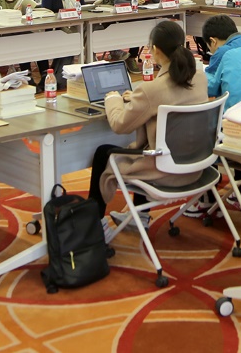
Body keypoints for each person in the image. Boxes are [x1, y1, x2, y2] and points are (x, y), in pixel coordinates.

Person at [87, 20, 208, 236]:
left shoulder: (151, 90)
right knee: (145, 145)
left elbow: (119, 125)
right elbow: (167, 97)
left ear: (155, 50)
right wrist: (137, 98)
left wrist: (113, 100)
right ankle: (140, 216)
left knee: (104, 153)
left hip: (166, 171)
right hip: (197, 167)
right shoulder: (199, 77)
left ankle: (94, 224)